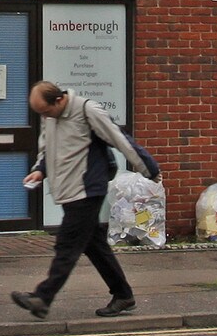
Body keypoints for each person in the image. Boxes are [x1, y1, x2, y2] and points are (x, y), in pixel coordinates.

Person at [10, 81, 157, 320]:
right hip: (70, 190)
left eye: (46, 111)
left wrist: (148, 168)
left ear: (59, 100)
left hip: (87, 189)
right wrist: (40, 170)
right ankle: (123, 295)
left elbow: (119, 138)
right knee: (94, 245)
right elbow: (48, 149)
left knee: (66, 246)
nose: (45, 117)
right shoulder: (50, 117)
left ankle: (42, 298)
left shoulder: (87, 110)